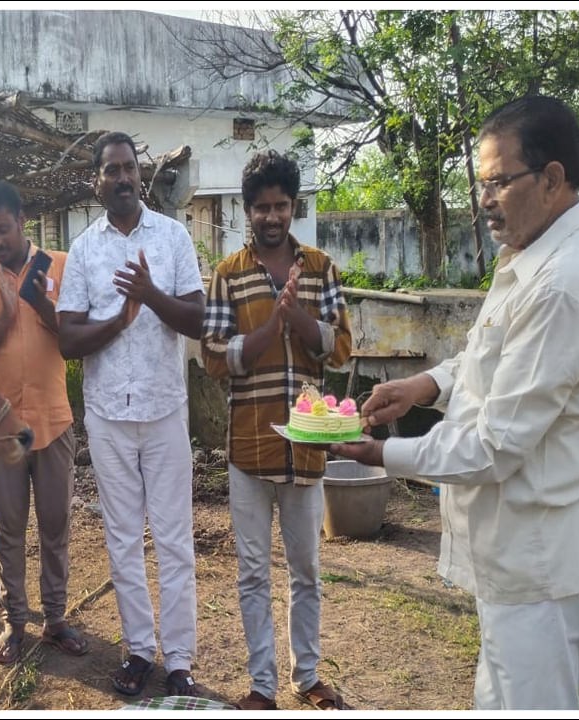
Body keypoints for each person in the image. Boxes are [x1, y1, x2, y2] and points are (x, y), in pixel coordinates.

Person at [331, 95, 579, 710]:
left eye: (499, 181)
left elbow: (496, 443)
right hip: (514, 554)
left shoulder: (562, 286)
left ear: (551, 179)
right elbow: (490, 362)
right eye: (482, 181)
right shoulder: (531, 258)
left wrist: (381, 454)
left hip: (537, 559)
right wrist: (425, 386)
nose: (485, 198)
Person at [201, 150, 352, 711]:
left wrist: (298, 320)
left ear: (294, 207)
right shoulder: (228, 275)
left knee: (306, 569)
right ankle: (262, 686)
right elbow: (213, 357)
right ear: (247, 210)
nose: (271, 216)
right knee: (251, 574)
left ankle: (307, 676)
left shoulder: (320, 268)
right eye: (261, 207)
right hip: (250, 447)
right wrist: (268, 330)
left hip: (307, 449)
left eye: (281, 205)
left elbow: (339, 349)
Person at [56, 131, 205, 697]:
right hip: (108, 416)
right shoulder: (84, 250)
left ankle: (181, 660)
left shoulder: (171, 238)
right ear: (96, 181)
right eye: (111, 170)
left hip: (165, 411)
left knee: (173, 539)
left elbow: (195, 319)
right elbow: (68, 338)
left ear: (140, 177)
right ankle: (139, 650)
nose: (122, 178)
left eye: (129, 169)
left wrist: (150, 293)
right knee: (122, 539)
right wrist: (118, 321)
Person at [0, 181, 86, 665]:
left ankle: (54, 620)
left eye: (4, 230)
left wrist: (40, 306)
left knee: (55, 526)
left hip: (54, 420)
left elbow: (75, 337)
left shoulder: (60, 266)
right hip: (3, 431)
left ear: (22, 221)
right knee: (8, 529)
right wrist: (5, 318)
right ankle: (15, 623)